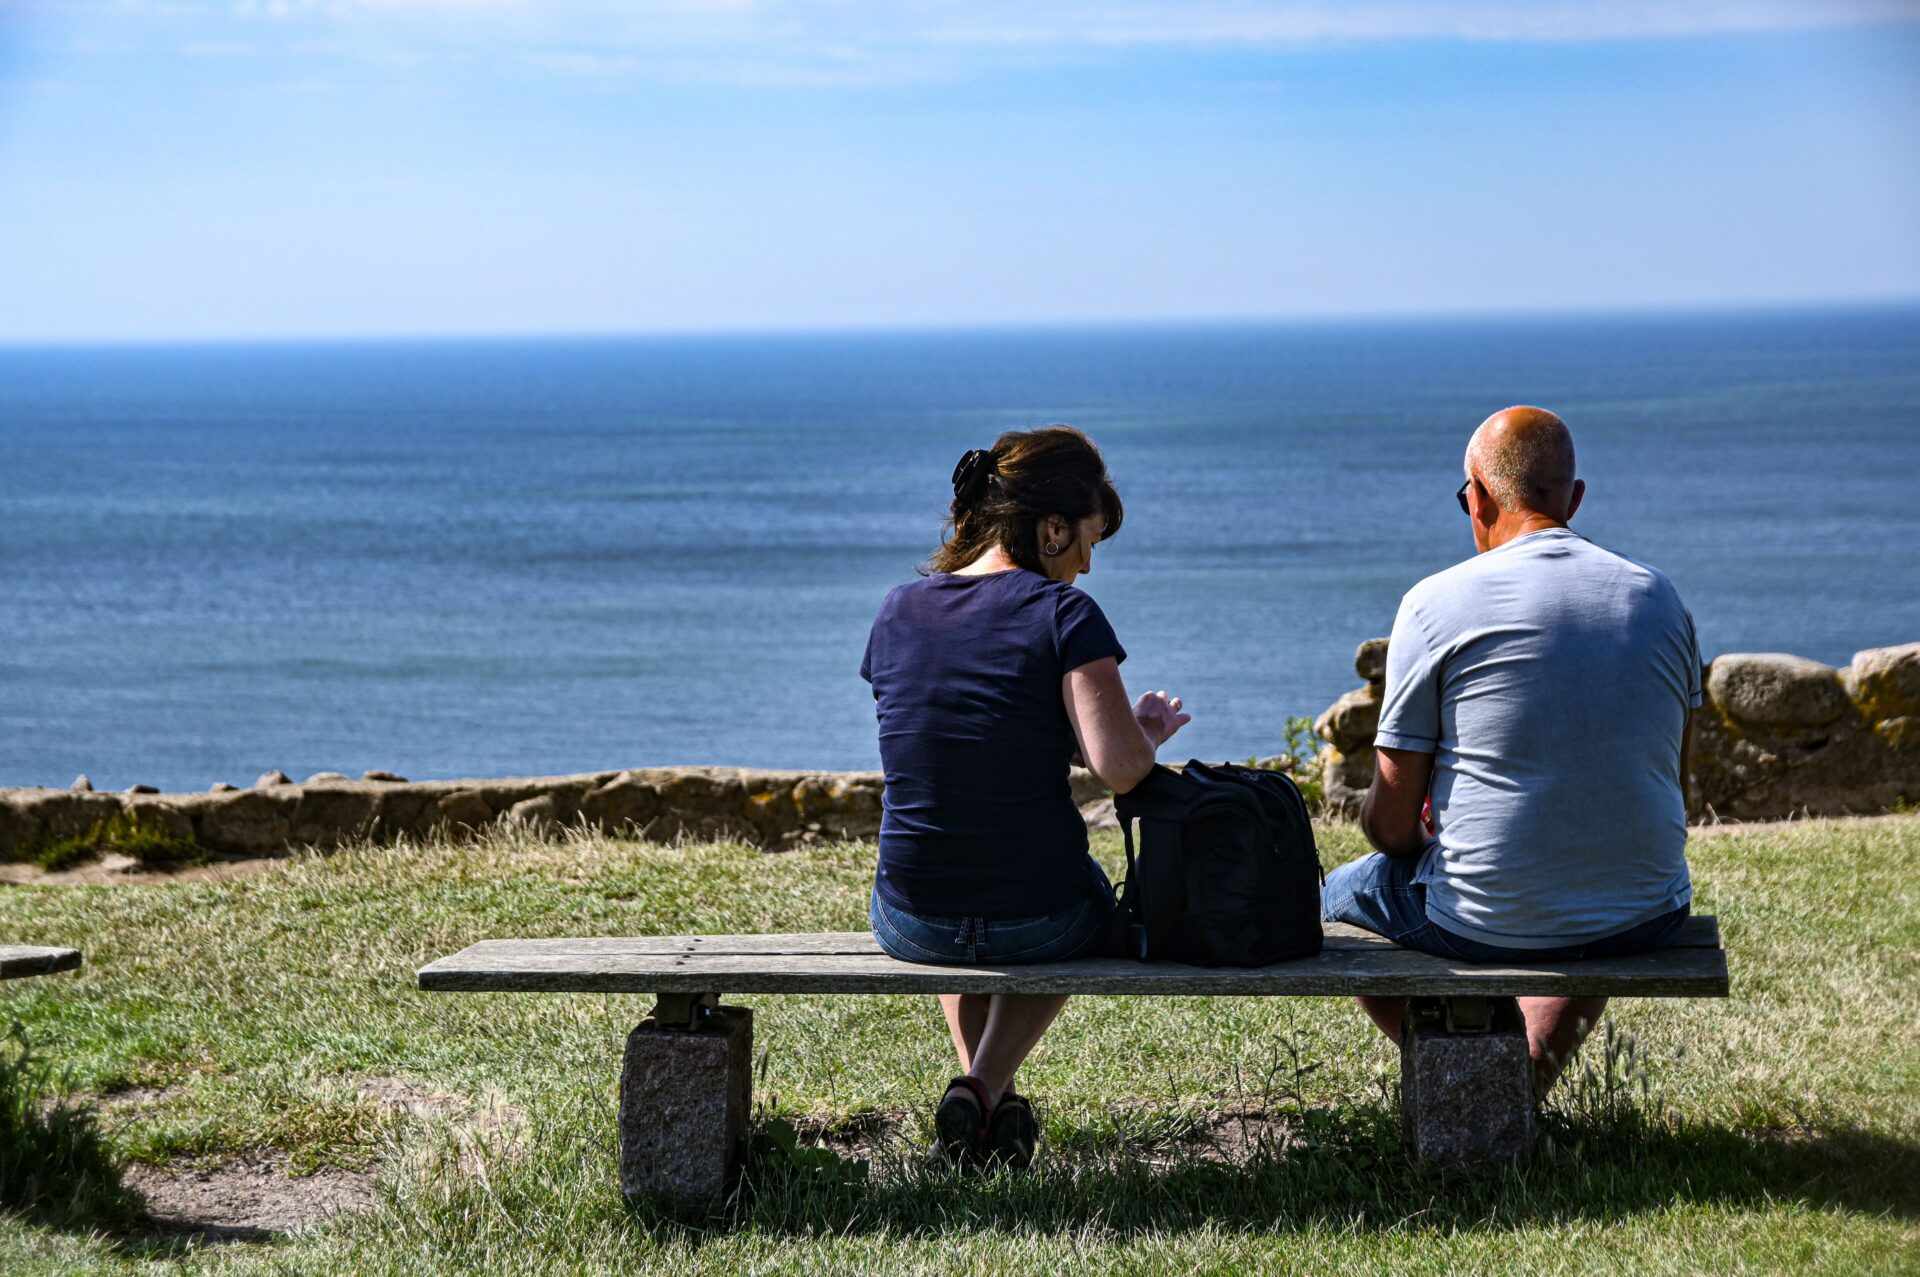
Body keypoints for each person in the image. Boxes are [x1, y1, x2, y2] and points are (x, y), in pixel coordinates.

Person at [1322, 405, 1700, 1093]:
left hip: (1487, 919)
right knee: (1574, 898)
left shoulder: (1436, 603)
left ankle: (1472, 1088)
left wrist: (1441, 827)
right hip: (1649, 909)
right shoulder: (1660, 598)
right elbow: (1675, 782)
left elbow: (1390, 825)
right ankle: (1520, 1086)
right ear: (1575, 497)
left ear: (1478, 495)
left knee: (1342, 893)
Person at [860, 425, 1191, 1169]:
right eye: (1087, 541)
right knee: (1092, 908)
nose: (1085, 562)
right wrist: (1146, 731)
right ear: (1050, 527)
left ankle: (987, 1106)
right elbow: (1121, 772)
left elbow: (962, 738)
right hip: (1043, 923)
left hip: (911, 918)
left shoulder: (896, 611)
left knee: (961, 867)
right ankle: (981, 1085)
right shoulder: (1064, 614)